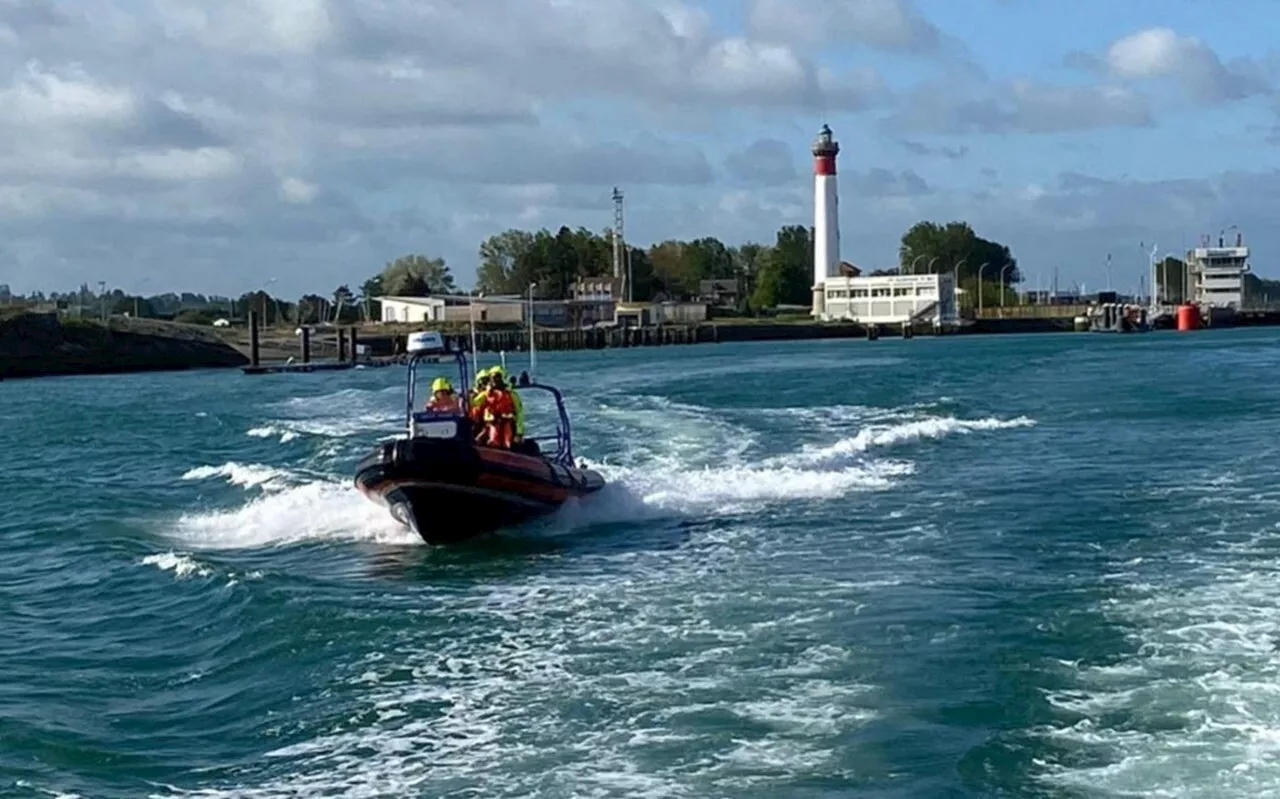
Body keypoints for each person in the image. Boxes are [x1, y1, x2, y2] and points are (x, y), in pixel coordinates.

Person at [482, 370, 517, 448]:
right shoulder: (487, 394)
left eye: (498, 378)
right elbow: (477, 403)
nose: (495, 380)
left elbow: (518, 411)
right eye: (493, 378)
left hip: (506, 421)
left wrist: (519, 432)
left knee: (507, 441)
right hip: (493, 422)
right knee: (493, 440)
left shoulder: (509, 393)